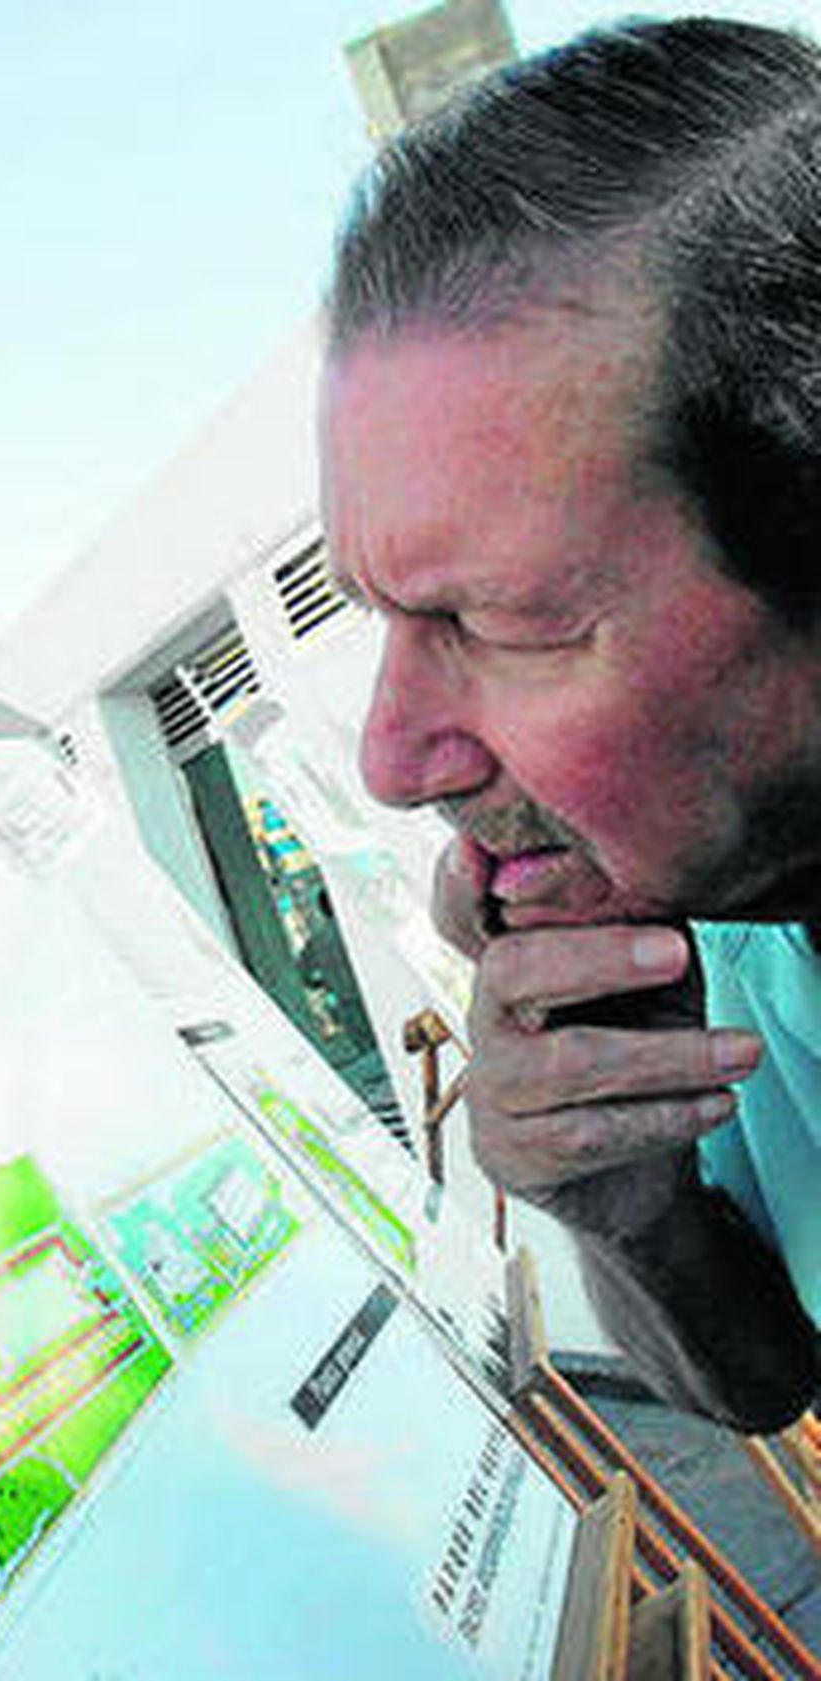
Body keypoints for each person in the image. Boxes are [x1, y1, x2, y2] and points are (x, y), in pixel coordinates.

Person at [319, 16, 821, 1431]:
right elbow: (767, 1380)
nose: (391, 757)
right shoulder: (728, 910)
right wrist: (630, 1211)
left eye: (505, 624)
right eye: (391, 617)